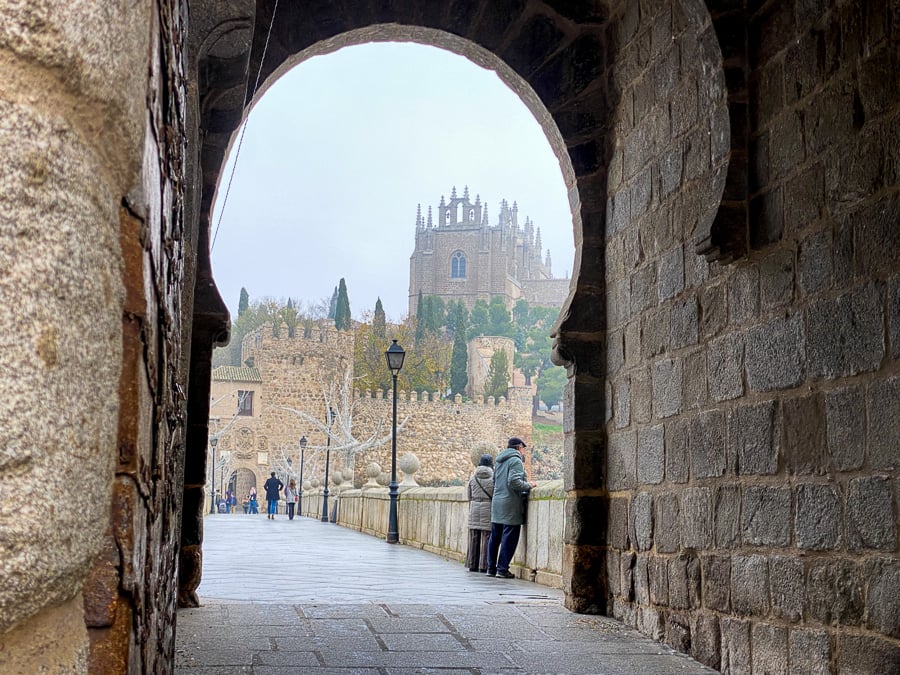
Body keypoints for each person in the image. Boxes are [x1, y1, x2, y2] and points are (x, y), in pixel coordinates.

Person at [486, 437, 535, 578]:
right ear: (519, 447)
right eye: (523, 448)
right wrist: (529, 485)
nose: (523, 451)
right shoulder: (515, 461)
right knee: (510, 537)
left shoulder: (499, 461)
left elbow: (494, 481)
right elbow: (514, 482)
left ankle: (491, 568)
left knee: (495, 537)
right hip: (510, 504)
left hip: (497, 502)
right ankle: (502, 569)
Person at [466, 454, 494, 572]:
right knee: (486, 536)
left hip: (474, 506)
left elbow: (469, 495)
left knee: (474, 536)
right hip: (488, 507)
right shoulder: (493, 477)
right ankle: (484, 565)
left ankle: (472, 564)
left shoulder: (473, 477)